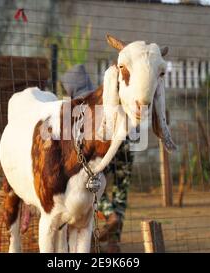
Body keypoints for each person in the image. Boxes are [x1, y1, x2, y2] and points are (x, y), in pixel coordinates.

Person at [60, 64, 133, 253]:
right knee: (121, 191)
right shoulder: (103, 97)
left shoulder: (77, 106)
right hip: (125, 144)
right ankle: (113, 243)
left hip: (102, 150)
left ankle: (108, 216)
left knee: (93, 186)